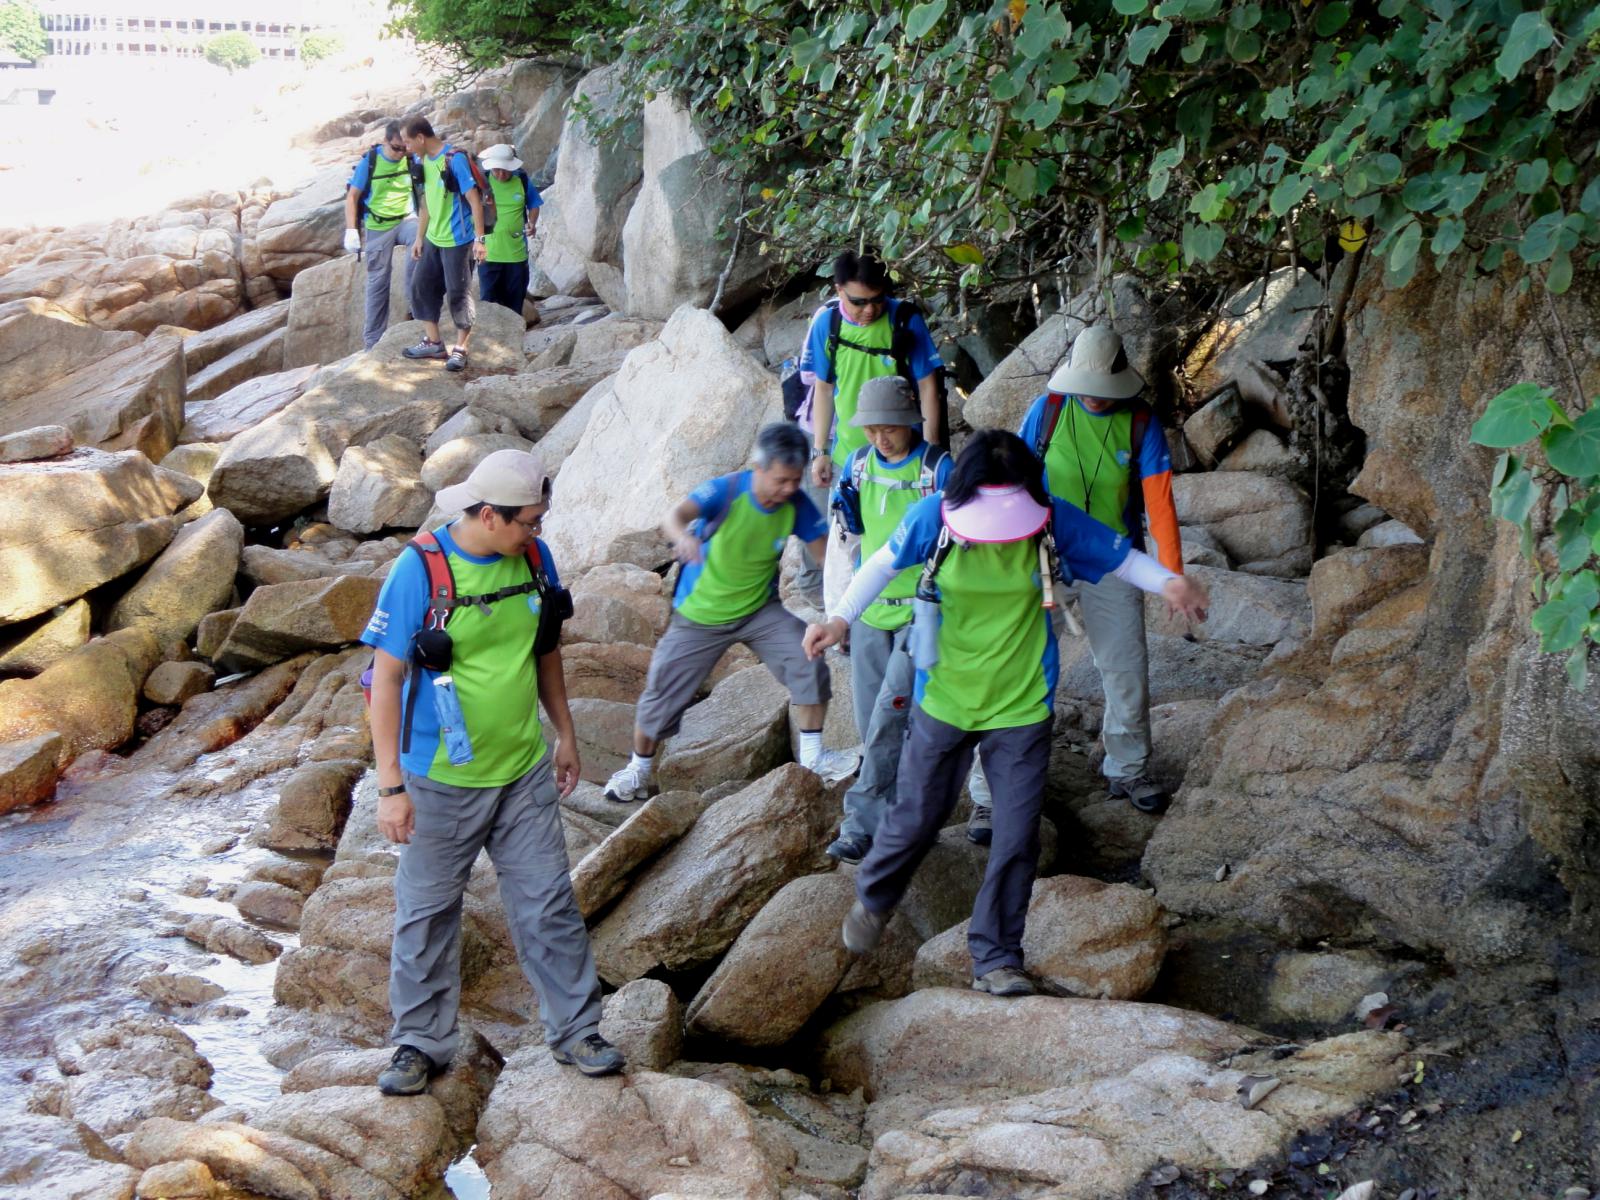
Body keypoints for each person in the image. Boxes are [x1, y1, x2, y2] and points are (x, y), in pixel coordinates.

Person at [803, 430, 1208, 996]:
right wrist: (839, 619)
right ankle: (875, 897)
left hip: (1022, 704)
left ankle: (996, 958)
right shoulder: (932, 518)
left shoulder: (1050, 520)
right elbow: (879, 566)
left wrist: (1170, 582)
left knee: (1017, 837)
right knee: (917, 816)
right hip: (944, 699)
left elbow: (1121, 557)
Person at [361, 449, 623, 1094]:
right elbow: (384, 680)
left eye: (539, 520)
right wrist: (391, 786)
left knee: (548, 904)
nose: (538, 531)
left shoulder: (534, 559)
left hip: (522, 769)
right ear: (487, 515)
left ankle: (577, 1030)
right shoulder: (420, 568)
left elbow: (545, 651)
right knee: (427, 913)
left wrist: (565, 734)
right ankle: (419, 1044)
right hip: (439, 777)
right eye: (528, 521)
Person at [603, 422, 860, 803]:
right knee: (662, 689)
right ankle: (637, 770)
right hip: (699, 614)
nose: (788, 489)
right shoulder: (724, 491)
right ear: (758, 468)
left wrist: (843, 612)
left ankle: (812, 760)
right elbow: (674, 517)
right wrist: (683, 537)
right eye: (780, 480)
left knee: (808, 660)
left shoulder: (796, 504)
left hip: (759, 611)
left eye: (795, 480)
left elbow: (827, 559)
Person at [1017, 324, 1185, 814]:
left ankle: (1127, 770)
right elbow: (1014, 484)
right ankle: (994, 792)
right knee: (1019, 668)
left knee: (1126, 670)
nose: (1092, 396)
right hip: (1045, 558)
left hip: (1115, 560)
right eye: (1084, 387)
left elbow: (1160, 504)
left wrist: (1171, 576)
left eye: (1102, 388)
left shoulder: (1140, 422)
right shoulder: (1047, 411)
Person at [823, 375, 952, 864]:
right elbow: (847, 543)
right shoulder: (857, 466)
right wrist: (840, 613)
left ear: (911, 421)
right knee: (870, 722)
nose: (880, 438)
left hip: (923, 612)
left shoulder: (938, 469)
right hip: (870, 613)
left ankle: (861, 826)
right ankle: (907, 819)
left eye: (890, 428)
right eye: (872, 429)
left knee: (890, 718)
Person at [800, 251, 945, 607]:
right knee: (846, 538)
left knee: (906, 533)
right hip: (850, 452)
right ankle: (844, 615)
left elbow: (928, 385)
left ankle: (912, 606)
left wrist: (930, 452)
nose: (870, 309)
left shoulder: (904, 318)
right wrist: (820, 451)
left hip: (905, 453)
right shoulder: (828, 323)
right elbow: (824, 388)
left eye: (877, 299)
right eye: (859, 302)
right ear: (839, 290)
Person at [400, 116, 484, 374]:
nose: (406, 148)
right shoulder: (422, 160)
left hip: (458, 239)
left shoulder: (454, 160)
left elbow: (474, 201)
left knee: (458, 293)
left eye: (407, 142)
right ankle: (434, 343)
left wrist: (480, 240)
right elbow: (426, 202)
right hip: (433, 238)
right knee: (420, 286)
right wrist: (419, 237)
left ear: (420, 137)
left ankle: (461, 348)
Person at [342, 120, 420, 351]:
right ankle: (372, 343)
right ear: (385, 141)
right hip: (378, 225)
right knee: (378, 281)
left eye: (404, 148)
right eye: (396, 148)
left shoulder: (410, 157)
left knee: (420, 251)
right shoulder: (371, 161)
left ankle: (418, 315)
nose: (400, 153)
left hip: (406, 219)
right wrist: (351, 230)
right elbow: (352, 196)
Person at [475, 143, 542, 314]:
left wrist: (531, 223)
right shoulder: (482, 183)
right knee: (489, 304)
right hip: (488, 254)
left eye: (505, 170)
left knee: (514, 303)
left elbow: (534, 204)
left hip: (516, 254)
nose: (501, 174)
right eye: (497, 170)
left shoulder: (522, 180)